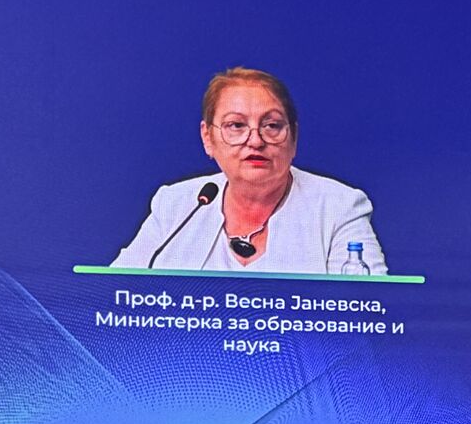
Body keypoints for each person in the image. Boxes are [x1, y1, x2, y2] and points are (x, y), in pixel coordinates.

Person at [115, 67, 386, 273]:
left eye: (272, 126)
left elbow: (368, 310)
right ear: (208, 138)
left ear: (294, 138)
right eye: (236, 126)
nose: (255, 140)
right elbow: (115, 296)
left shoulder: (338, 208)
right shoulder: (176, 205)